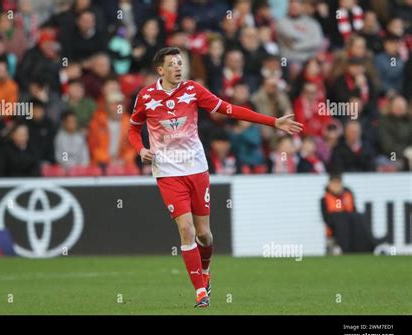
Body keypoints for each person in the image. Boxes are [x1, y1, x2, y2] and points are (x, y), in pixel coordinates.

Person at [128, 47, 303, 307]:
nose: (178, 67)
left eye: (180, 63)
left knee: (204, 235)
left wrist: (272, 122)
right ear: (160, 70)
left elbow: (230, 109)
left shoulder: (193, 91)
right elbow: (133, 129)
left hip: (197, 169)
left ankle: (206, 271)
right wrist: (141, 149)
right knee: (186, 231)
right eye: (173, 64)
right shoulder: (146, 96)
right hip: (167, 172)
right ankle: (200, 292)